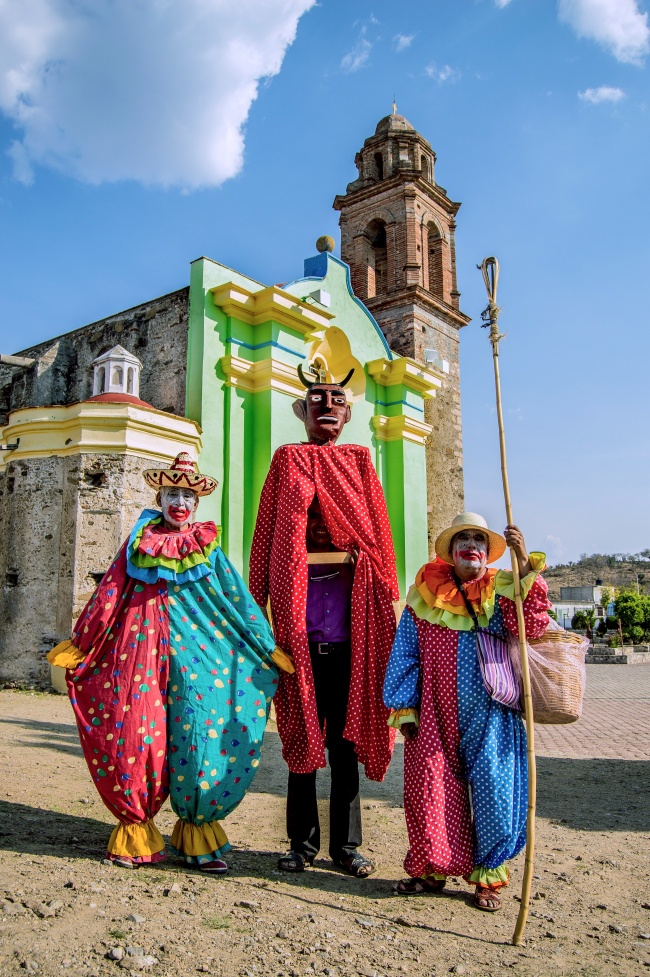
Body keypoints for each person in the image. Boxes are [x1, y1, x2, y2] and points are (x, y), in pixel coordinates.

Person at [48, 452, 291, 873]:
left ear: (197, 505)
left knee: (201, 730)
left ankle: (197, 836)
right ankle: (137, 830)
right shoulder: (139, 541)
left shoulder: (206, 545)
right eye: (172, 493)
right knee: (132, 735)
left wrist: (264, 645)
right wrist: (83, 641)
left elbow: (235, 596)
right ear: (159, 498)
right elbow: (111, 591)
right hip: (136, 650)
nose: (180, 502)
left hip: (200, 651)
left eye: (187, 495)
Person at [249, 367, 399, 877]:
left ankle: (347, 847)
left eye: (338, 399)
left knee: (346, 743)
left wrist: (382, 585)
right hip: (297, 635)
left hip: (353, 638)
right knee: (301, 741)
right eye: (317, 399)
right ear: (303, 410)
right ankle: (301, 844)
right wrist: (255, 604)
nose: (328, 405)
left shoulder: (360, 461)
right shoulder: (287, 460)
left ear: (348, 413)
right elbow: (267, 528)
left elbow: (377, 531)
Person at [383, 512, 550, 910]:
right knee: (430, 789)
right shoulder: (424, 593)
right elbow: (406, 650)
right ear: (452, 550)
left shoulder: (502, 589)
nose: (471, 545)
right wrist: (406, 707)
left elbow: (534, 625)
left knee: (495, 789)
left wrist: (524, 561)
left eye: (478, 538)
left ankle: (488, 877)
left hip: (493, 711)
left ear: (487, 552)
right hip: (434, 714)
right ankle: (433, 869)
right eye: (463, 539)